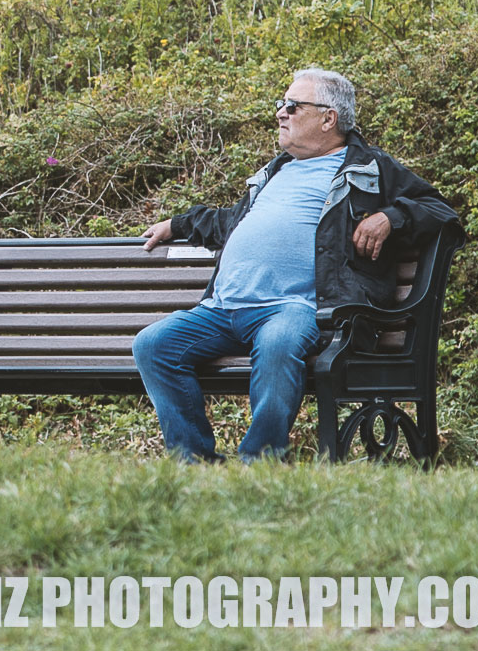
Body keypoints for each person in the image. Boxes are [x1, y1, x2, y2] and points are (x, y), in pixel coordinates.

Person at [134, 68, 459, 462]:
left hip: (295, 309)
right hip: (222, 309)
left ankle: (262, 462)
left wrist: (390, 217)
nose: (280, 114)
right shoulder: (275, 172)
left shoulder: (370, 168)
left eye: (292, 105)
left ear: (328, 118)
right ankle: (195, 462)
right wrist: (177, 224)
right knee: (153, 345)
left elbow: (440, 211)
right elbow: (228, 222)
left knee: (278, 343)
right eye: (280, 105)